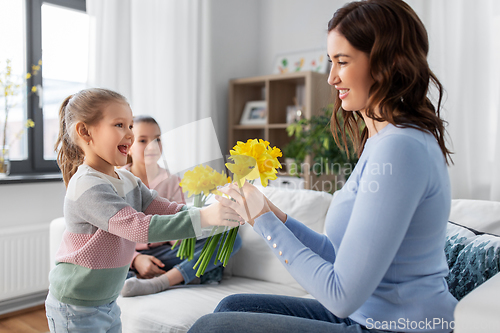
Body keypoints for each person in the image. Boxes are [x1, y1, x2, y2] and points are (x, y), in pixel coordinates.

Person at [189, 0, 457, 332]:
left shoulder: (401, 148)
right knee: (233, 305)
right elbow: (336, 254)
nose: (331, 78)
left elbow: (340, 296)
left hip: (397, 327)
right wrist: (274, 215)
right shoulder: (381, 141)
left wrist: (262, 222)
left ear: (386, 64)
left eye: (342, 62)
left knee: (214, 328)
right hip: (366, 315)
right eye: (331, 62)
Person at [45, 88, 242, 333]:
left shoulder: (127, 179)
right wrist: (204, 218)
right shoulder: (87, 185)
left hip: (107, 300)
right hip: (75, 305)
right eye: (119, 124)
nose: (129, 133)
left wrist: (214, 211)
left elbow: (166, 208)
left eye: (130, 126)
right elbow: (138, 227)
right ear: (85, 132)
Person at [120, 115, 242, 297]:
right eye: (143, 140)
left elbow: (180, 221)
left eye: (157, 139)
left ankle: (161, 281)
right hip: (128, 254)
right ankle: (180, 275)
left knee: (232, 239)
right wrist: (136, 260)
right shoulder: (119, 181)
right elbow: (112, 234)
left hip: (167, 251)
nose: (152, 146)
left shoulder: (171, 181)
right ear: (128, 146)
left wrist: (188, 239)